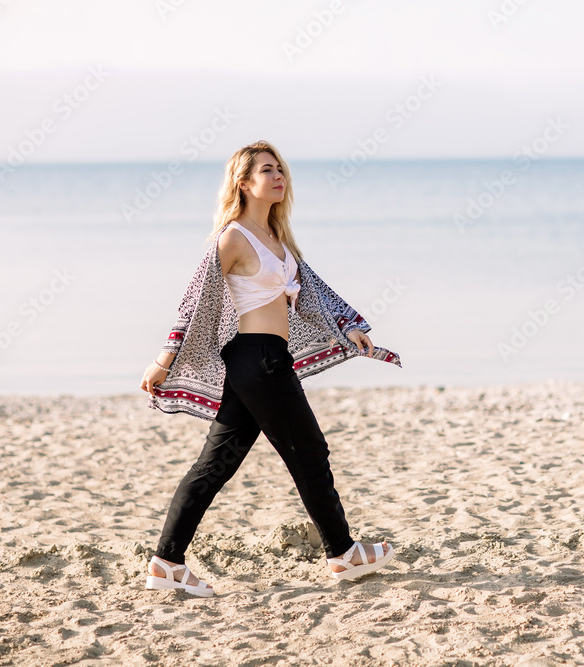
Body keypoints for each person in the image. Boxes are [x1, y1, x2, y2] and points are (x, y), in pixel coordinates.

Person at [139, 140, 400, 596]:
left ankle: (166, 563)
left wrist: (348, 327)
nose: (278, 176)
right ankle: (342, 553)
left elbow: (312, 294)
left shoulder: (278, 238)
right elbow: (196, 300)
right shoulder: (233, 236)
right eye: (266, 170)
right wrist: (165, 358)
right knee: (310, 453)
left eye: (279, 168)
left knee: (216, 463)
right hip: (256, 359)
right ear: (243, 182)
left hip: (262, 360)